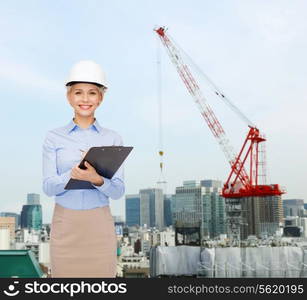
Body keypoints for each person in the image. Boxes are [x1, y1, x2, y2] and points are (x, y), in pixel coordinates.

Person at [42, 60, 124, 278]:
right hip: (65, 224)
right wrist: (73, 174)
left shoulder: (112, 138)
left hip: (99, 224)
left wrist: (96, 179)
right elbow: (49, 187)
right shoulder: (53, 137)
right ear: (69, 96)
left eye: (92, 93)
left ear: (101, 98)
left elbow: (118, 191)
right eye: (78, 92)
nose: (85, 99)